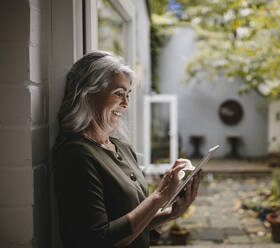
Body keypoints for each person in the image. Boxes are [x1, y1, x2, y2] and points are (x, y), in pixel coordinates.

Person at [53, 51, 201, 248]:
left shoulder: (122, 148)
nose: (126, 103)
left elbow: (132, 223)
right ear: (88, 94)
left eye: (128, 95)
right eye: (118, 94)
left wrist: (170, 214)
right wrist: (159, 196)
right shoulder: (76, 155)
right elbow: (98, 241)